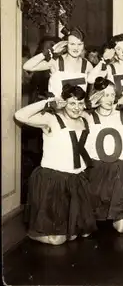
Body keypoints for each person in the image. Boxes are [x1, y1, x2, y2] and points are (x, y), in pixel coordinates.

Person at [14, 84, 96, 245]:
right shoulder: (52, 119)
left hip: (75, 180)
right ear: (64, 102)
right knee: (57, 240)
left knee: (78, 234)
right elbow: (20, 115)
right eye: (72, 103)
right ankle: (29, 233)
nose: (77, 108)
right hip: (53, 180)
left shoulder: (84, 119)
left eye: (80, 103)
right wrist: (49, 102)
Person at [84, 77, 123, 233]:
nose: (109, 99)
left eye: (112, 94)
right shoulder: (88, 117)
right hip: (96, 170)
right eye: (104, 94)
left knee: (122, 229)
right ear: (96, 96)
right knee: (88, 230)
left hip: (118, 171)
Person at [23, 27, 92, 97]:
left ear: (83, 45)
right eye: (72, 44)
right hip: (56, 107)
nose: (76, 48)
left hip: (77, 107)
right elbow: (27, 66)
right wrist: (49, 51)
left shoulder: (87, 65)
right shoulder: (56, 62)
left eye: (79, 44)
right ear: (66, 44)